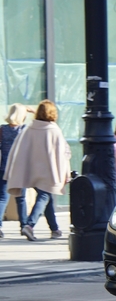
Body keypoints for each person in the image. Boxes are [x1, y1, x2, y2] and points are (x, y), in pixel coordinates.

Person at [4, 100, 70, 241]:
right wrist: (65, 172)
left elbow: (18, 150)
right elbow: (63, 153)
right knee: (44, 197)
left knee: (47, 198)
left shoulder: (29, 129)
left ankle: (55, 229)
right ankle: (30, 224)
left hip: (31, 172)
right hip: (49, 172)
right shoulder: (54, 129)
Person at [0, 104, 31, 238]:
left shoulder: (2, 129)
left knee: (2, 198)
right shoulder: (24, 129)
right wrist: (32, 110)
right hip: (20, 168)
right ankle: (24, 225)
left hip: (4, 167)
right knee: (21, 198)